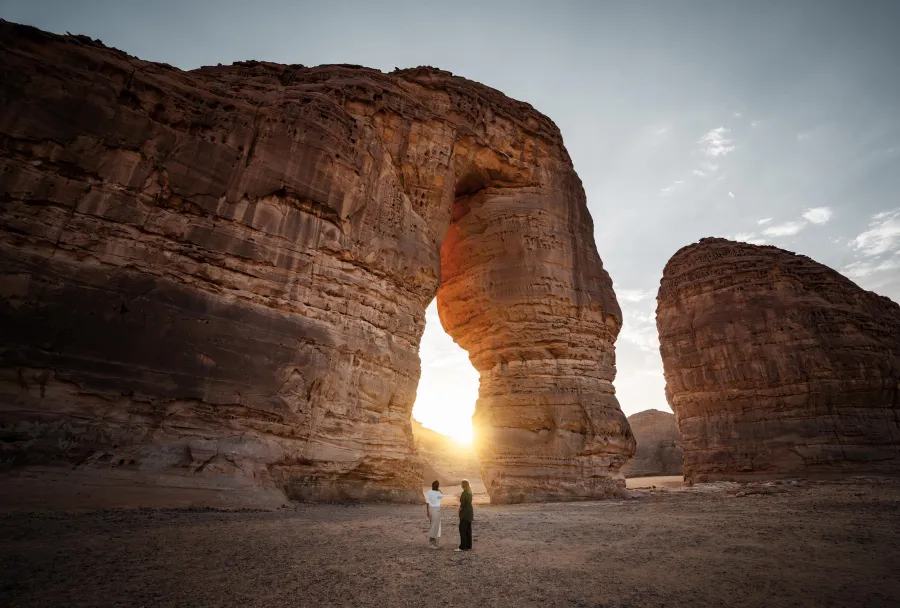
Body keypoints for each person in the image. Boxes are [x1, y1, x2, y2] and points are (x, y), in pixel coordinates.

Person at [455, 479, 474, 552]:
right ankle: (468, 547)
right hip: (470, 512)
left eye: (461, 484)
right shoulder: (470, 493)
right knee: (468, 530)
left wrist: (459, 511)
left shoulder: (464, 493)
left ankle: (462, 547)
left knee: (462, 529)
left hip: (465, 513)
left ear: (463, 485)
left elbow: (462, 504)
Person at [425, 480, 444, 549]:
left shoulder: (429, 492)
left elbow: (427, 502)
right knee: (436, 526)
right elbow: (442, 495)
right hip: (436, 510)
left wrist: (427, 512)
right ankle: (432, 544)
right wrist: (439, 490)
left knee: (433, 525)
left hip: (431, 509)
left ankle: (434, 543)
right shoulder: (438, 493)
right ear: (437, 486)